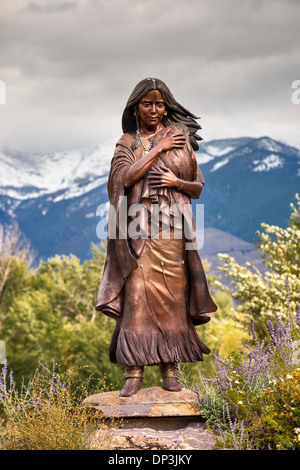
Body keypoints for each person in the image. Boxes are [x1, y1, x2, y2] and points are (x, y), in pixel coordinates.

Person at [96, 77, 217, 397]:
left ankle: (170, 368)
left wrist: (176, 181)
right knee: (136, 298)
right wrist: (157, 150)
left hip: (173, 231)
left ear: (167, 107)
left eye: (160, 104)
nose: (154, 110)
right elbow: (122, 178)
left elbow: (198, 187)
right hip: (137, 232)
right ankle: (133, 372)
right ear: (136, 107)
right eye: (147, 104)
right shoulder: (128, 142)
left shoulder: (181, 140)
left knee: (174, 299)